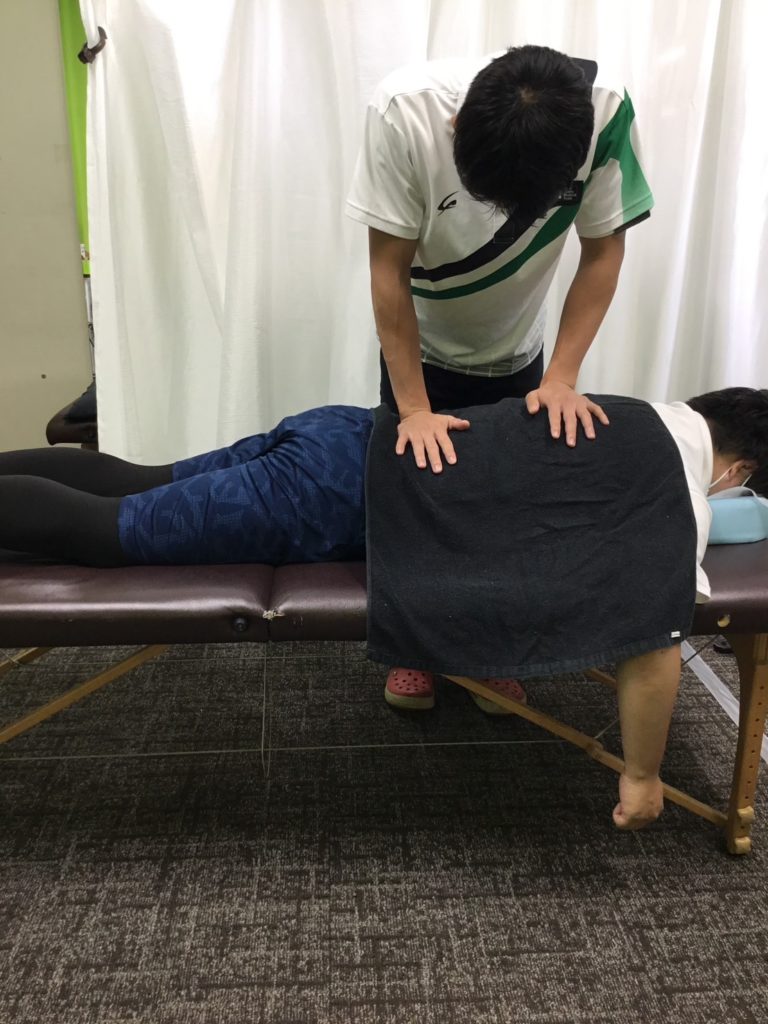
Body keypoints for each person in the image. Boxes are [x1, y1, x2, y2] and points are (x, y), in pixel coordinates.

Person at [1, 388, 766, 830]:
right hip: (335, 494)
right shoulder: (676, 495)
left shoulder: (634, 411)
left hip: (344, 432)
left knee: (137, 482)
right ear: (738, 472)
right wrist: (641, 776)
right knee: (107, 532)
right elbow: (655, 641)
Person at [346, 44, 655, 709]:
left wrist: (562, 377)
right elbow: (387, 270)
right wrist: (413, 409)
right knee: (418, 502)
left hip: (520, 352)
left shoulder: (607, 114)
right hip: (421, 349)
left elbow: (603, 250)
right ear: (457, 127)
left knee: (509, 511)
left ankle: (491, 653)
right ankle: (415, 652)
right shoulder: (403, 112)